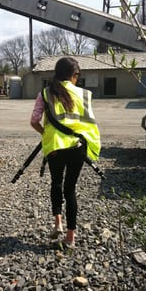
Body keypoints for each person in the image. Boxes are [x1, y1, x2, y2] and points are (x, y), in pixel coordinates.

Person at [30, 56, 101, 248]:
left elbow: (34, 121)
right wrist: (93, 147)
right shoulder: (84, 95)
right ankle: (71, 238)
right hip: (77, 148)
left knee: (56, 184)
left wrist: (47, 134)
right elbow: (90, 125)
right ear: (74, 75)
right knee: (70, 190)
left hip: (55, 148)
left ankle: (58, 224)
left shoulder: (45, 94)